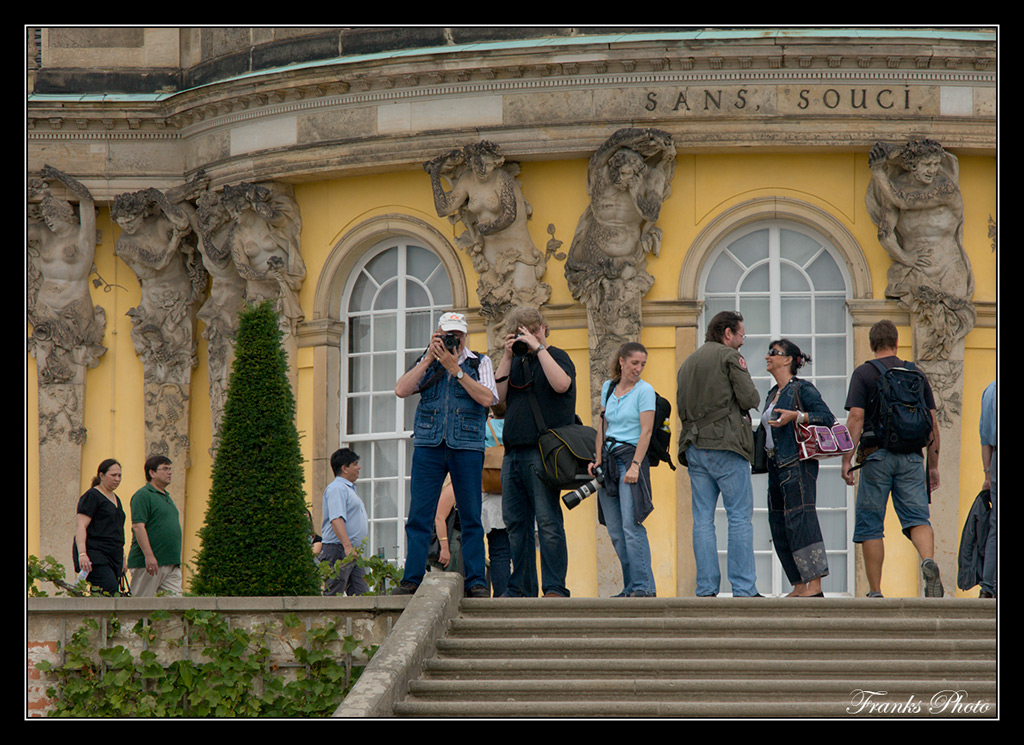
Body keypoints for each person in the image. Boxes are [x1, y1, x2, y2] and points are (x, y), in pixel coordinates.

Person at [393, 311, 497, 598]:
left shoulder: (479, 362)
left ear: (465, 336)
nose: (454, 340)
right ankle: (411, 579)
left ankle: (476, 581)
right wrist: (430, 357)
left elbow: (488, 398)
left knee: (471, 515)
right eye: (448, 335)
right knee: (419, 515)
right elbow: (401, 389)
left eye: (458, 335)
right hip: (429, 444)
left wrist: (457, 370)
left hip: (467, 445)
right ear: (438, 334)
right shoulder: (427, 360)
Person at [841, 320, 943, 597]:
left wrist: (846, 459)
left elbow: (856, 418)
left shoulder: (864, 373)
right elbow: (932, 424)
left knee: (871, 524)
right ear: (897, 343)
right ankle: (928, 561)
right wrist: (933, 466)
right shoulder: (916, 373)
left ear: (871, 344)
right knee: (918, 518)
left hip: (876, 457)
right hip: (912, 458)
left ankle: (875, 591)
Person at [676, 310, 761, 597]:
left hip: (694, 448)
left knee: (702, 519)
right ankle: (744, 588)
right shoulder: (729, 357)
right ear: (727, 333)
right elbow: (750, 398)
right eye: (741, 335)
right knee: (739, 517)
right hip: (726, 445)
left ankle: (706, 588)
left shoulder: (688, 362)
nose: (742, 341)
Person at [495, 305, 577, 598]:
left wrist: (539, 348)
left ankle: (554, 587)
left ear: (543, 327)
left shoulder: (558, 356)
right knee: (516, 525)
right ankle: (521, 587)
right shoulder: (516, 362)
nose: (527, 337)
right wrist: (507, 356)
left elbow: (561, 384)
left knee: (548, 522)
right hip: (512, 454)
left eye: (532, 330)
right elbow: (497, 399)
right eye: (521, 333)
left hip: (542, 453)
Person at [759, 339, 835, 597]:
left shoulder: (802, 388)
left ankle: (815, 585)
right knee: (779, 524)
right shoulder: (773, 393)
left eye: (774, 352)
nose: (767, 356)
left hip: (797, 464)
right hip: (775, 465)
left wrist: (798, 416)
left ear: (788, 359)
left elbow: (827, 417)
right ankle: (799, 584)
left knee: (802, 520)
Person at [589, 341, 657, 597]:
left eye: (642, 364)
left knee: (631, 525)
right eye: (634, 363)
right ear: (621, 361)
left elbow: (646, 432)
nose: (638, 368)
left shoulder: (645, 390)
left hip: (630, 458)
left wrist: (636, 465)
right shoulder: (609, 387)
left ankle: (644, 587)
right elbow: (602, 426)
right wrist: (597, 459)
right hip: (608, 460)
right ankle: (630, 587)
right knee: (616, 531)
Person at [127, 455, 183, 596]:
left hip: (171, 563)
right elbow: (138, 526)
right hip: (149, 564)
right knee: (141, 603)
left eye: (170, 469)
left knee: (175, 604)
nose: (169, 472)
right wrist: (149, 555)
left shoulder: (167, 497)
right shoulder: (143, 495)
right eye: (165, 469)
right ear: (152, 473)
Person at [320, 448, 370, 597]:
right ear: (344, 468)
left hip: (350, 550)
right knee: (333, 594)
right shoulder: (337, 488)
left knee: (362, 595)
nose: (359, 467)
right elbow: (336, 519)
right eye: (355, 464)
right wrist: (347, 546)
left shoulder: (347, 489)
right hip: (338, 549)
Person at [74, 459, 127, 595]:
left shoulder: (116, 498)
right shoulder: (92, 496)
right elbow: (81, 525)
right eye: (113, 475)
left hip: (113, 554)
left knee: (108, 592)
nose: (117, 479)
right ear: (101, 475)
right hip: (95, 553)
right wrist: (82, 554)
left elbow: (116, 530)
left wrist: (122, 557)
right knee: (108, 587)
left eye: (119, 475)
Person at [978, 380, 997, 598]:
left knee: (996, 524)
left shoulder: (990, 390)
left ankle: (988, 586)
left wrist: (988, 474)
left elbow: (985, 439)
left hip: (995, 460)